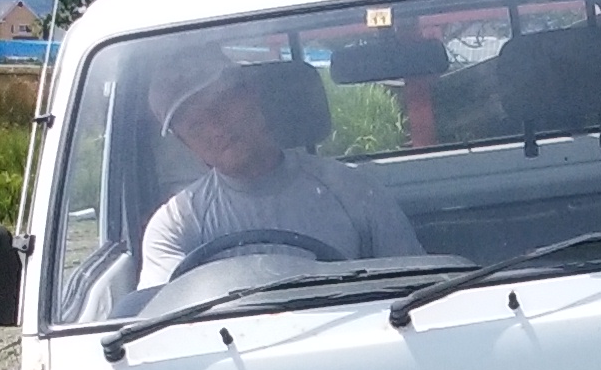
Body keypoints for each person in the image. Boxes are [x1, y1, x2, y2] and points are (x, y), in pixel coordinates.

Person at [139, 62, 424, 285]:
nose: (215, 129)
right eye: (195, 125)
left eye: (220, 106)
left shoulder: (355, 192)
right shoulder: (176, 226)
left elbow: (419, 293)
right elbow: (163, 332)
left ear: (251, 94)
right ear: (184, 142)